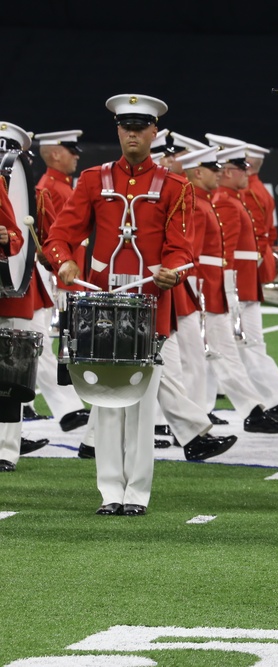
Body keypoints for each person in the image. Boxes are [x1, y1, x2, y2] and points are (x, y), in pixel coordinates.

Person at [43, 94, 200, 515]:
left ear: (154, 133)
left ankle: (137, 493)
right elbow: (59, 235)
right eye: (125, 127)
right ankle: (111, 492)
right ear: (118, 131)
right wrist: (65, 262)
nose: (132, 134)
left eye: (140, 127)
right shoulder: (94, 180)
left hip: (148, 304)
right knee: (108, 401)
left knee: (142, 402)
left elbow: (183, 249)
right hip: (101, 305)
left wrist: (173, 271)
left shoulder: (175, 186)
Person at [206, 133, 278, 427]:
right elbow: (225, 254)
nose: (248, 172)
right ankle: (270, 404)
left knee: (236, 348)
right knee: (240, 348)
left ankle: (266, 404)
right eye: (241, 167)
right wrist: (230, 293)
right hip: (237, 287)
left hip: (242, 285)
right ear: (228, 171)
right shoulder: (226, 202)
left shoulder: (230, 200)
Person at [29, 130, 91, 432]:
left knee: (42, 345)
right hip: (51, 274)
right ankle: (65, 409)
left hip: (58, 274)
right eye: (70, 150)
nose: (76, 155)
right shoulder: (49, 188)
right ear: (55, 154)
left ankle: (68, 409)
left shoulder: (56, 188)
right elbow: (51, 239)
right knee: (39, 343)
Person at [0, 121, 44, 471]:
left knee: (9, 373)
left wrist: (6, 239)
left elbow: (16, 236)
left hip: (7, 290)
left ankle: (5, 450)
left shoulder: (6, 182)